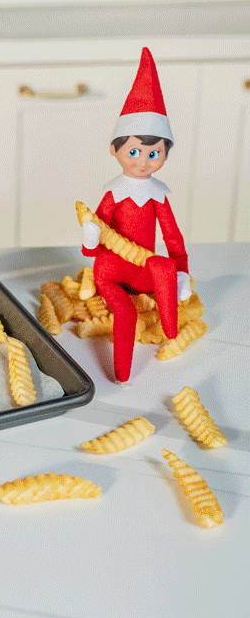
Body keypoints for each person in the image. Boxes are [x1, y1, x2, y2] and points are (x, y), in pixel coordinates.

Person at [82, 48, 190, 382]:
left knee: (163, 265)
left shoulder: (158, 194)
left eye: (154, 153)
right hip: (111, 272)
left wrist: (181, 272)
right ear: (114, 150)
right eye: (133, 151)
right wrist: (89, 236)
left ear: (165, 154)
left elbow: (173, 237)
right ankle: (122, 374)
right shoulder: (113, 193)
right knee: (125, 313)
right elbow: (94, 241)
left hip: (142, 268)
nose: (143, 161)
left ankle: (171, 333)